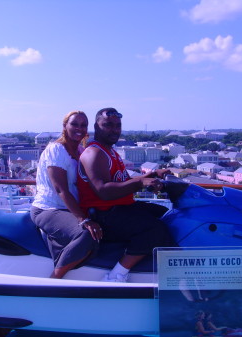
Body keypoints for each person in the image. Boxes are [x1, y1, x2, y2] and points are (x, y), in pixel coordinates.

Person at [77, 107, 176, 282]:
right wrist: (140, 182)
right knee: (156, 229)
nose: (114, 129)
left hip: (121, 206)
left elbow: (122, 182)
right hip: (104, 214)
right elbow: (103, 191)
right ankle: (117, 274)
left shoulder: (109, 151)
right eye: (108, 125)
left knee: (167, 214)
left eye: (117, 125)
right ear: (96, 127)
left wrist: (152, 175)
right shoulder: (95, 153)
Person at [31, 111, 101, 279]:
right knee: (86, 233)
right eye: (74, 124)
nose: (79, 128)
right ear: (65, 126)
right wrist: (83, 220)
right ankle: (54, 279)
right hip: (47, 208)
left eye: (83, 125)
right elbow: (61, 189)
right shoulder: (56, 150)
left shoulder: (79, 150)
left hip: (68, 209)